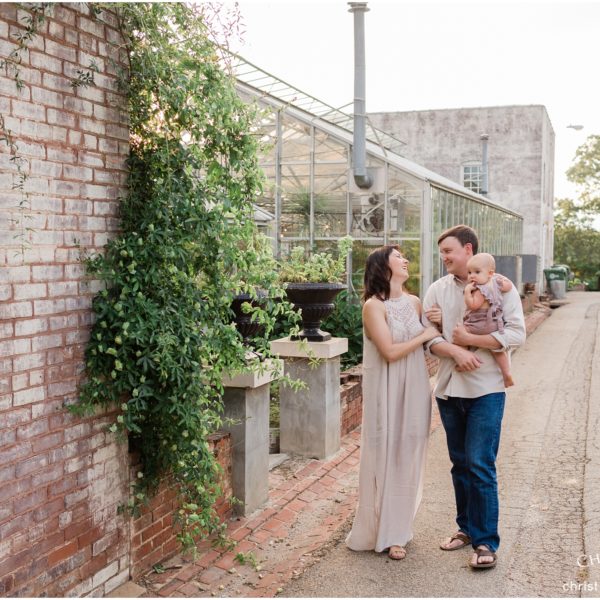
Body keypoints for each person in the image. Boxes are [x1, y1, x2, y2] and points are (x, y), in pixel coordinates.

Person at [423, 225, 525, 570]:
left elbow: (516, 333)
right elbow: (426, 337)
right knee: (460, 464)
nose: (444, 258)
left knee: (481, 464)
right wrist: (455, 349)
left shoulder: (499, 286)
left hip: (487, 389)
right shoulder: (436, 290)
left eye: (449, 251)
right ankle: (465, 528)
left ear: (468, 249)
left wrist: (472, 341)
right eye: (441, 253)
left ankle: (485, 542)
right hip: (449, 390)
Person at [345, 245, 439, 560]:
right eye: (398, 256)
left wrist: (434, 325)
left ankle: (400, 528)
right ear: (382, 266)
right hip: (386, 389)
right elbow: (389, 351)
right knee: (386, 454)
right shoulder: (374, 306)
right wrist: (425, 335)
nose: (406, 259)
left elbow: (435, 336)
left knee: (409, 453)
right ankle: (385, 532)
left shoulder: (414, 302)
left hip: (414, 386)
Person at [463, 253, 514, 387]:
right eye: (469, 272)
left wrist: (467, 292)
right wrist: (500, 280)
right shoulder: (496, 283)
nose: (472, 276)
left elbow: (473, 305)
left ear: (490, 273)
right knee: (498, 351)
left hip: (478, 323)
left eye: (477, 272)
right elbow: (509, 287)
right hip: (494, 324)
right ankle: (507, 374)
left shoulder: (480, 289)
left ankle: (463, 360)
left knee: (459, 334)